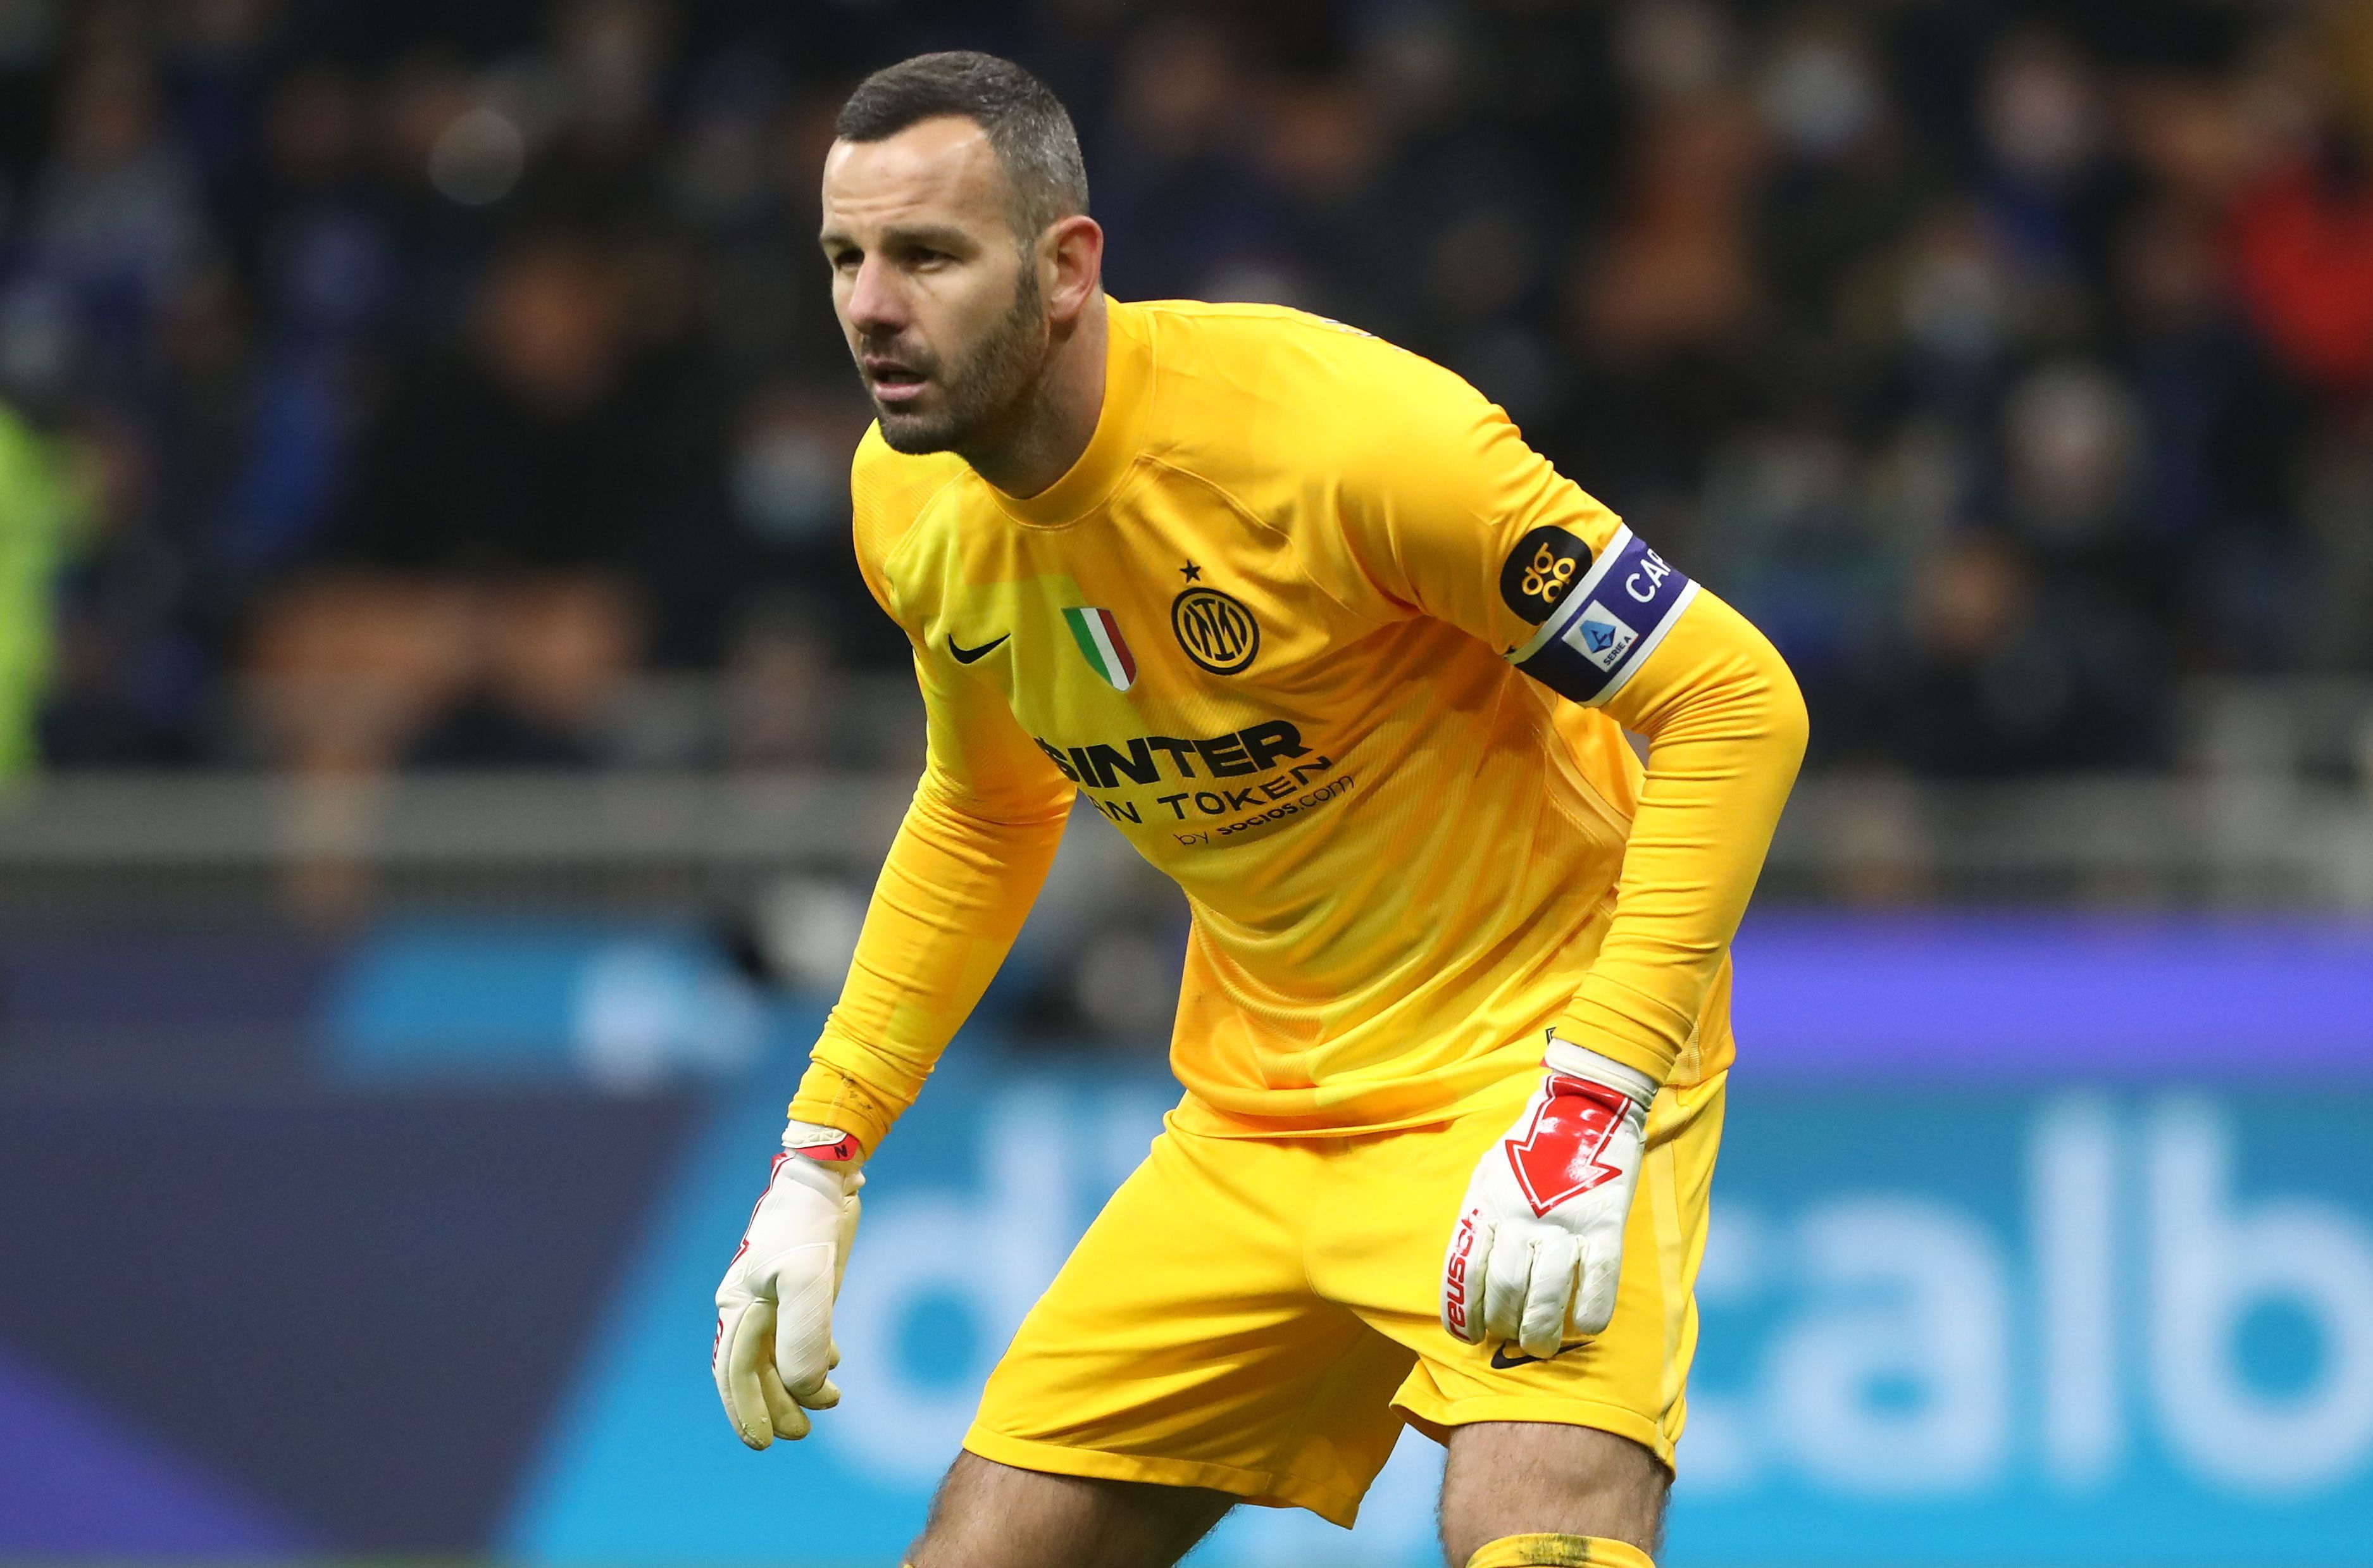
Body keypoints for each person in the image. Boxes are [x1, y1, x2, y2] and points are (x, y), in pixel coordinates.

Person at [712, 51, 1807, 1568]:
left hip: (1527, 1065)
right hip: (1256, 1112)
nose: (872, 308)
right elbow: (985, 809)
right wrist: (820, 1156)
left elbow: (1737, 700)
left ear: (1067, 266)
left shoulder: (1342, 441)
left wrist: (1596, 1093)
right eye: (847, 258)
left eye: (929, 256)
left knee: (1541, 1539)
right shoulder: (910, 505)